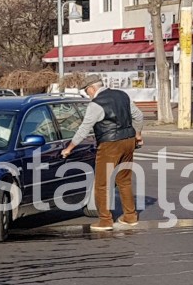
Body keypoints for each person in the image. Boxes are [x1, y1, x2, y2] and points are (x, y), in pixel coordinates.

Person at [62, 75, 144, 231]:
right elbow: (138, 116)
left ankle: (105, 220)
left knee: (101, 184)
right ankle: (130, 216)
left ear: (92, 88)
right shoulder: (122, 95)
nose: (89, 95)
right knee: (124, 180)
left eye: (87, 92)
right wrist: (138, 135)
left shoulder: (96, 104)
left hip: (109, 144)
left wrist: (69, 148)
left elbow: (84, 129)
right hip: (128, 141)